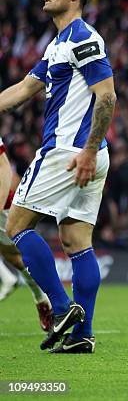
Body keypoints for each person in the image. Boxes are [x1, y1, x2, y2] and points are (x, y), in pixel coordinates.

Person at [0, 0, 116, 354]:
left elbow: (107, 95)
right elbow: (22, 90)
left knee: (16, 224)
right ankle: (83, 335)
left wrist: (85, 150)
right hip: (89, 154)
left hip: (69, 152)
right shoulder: (56, 45)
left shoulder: (84, 38)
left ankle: (64, 307)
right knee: (75, 239)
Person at [0, 137, 53, 331]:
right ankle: (42, 297)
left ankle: (49, 298)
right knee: (13, 257)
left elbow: (4, 167)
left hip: (3, 207)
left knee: (17, 255)